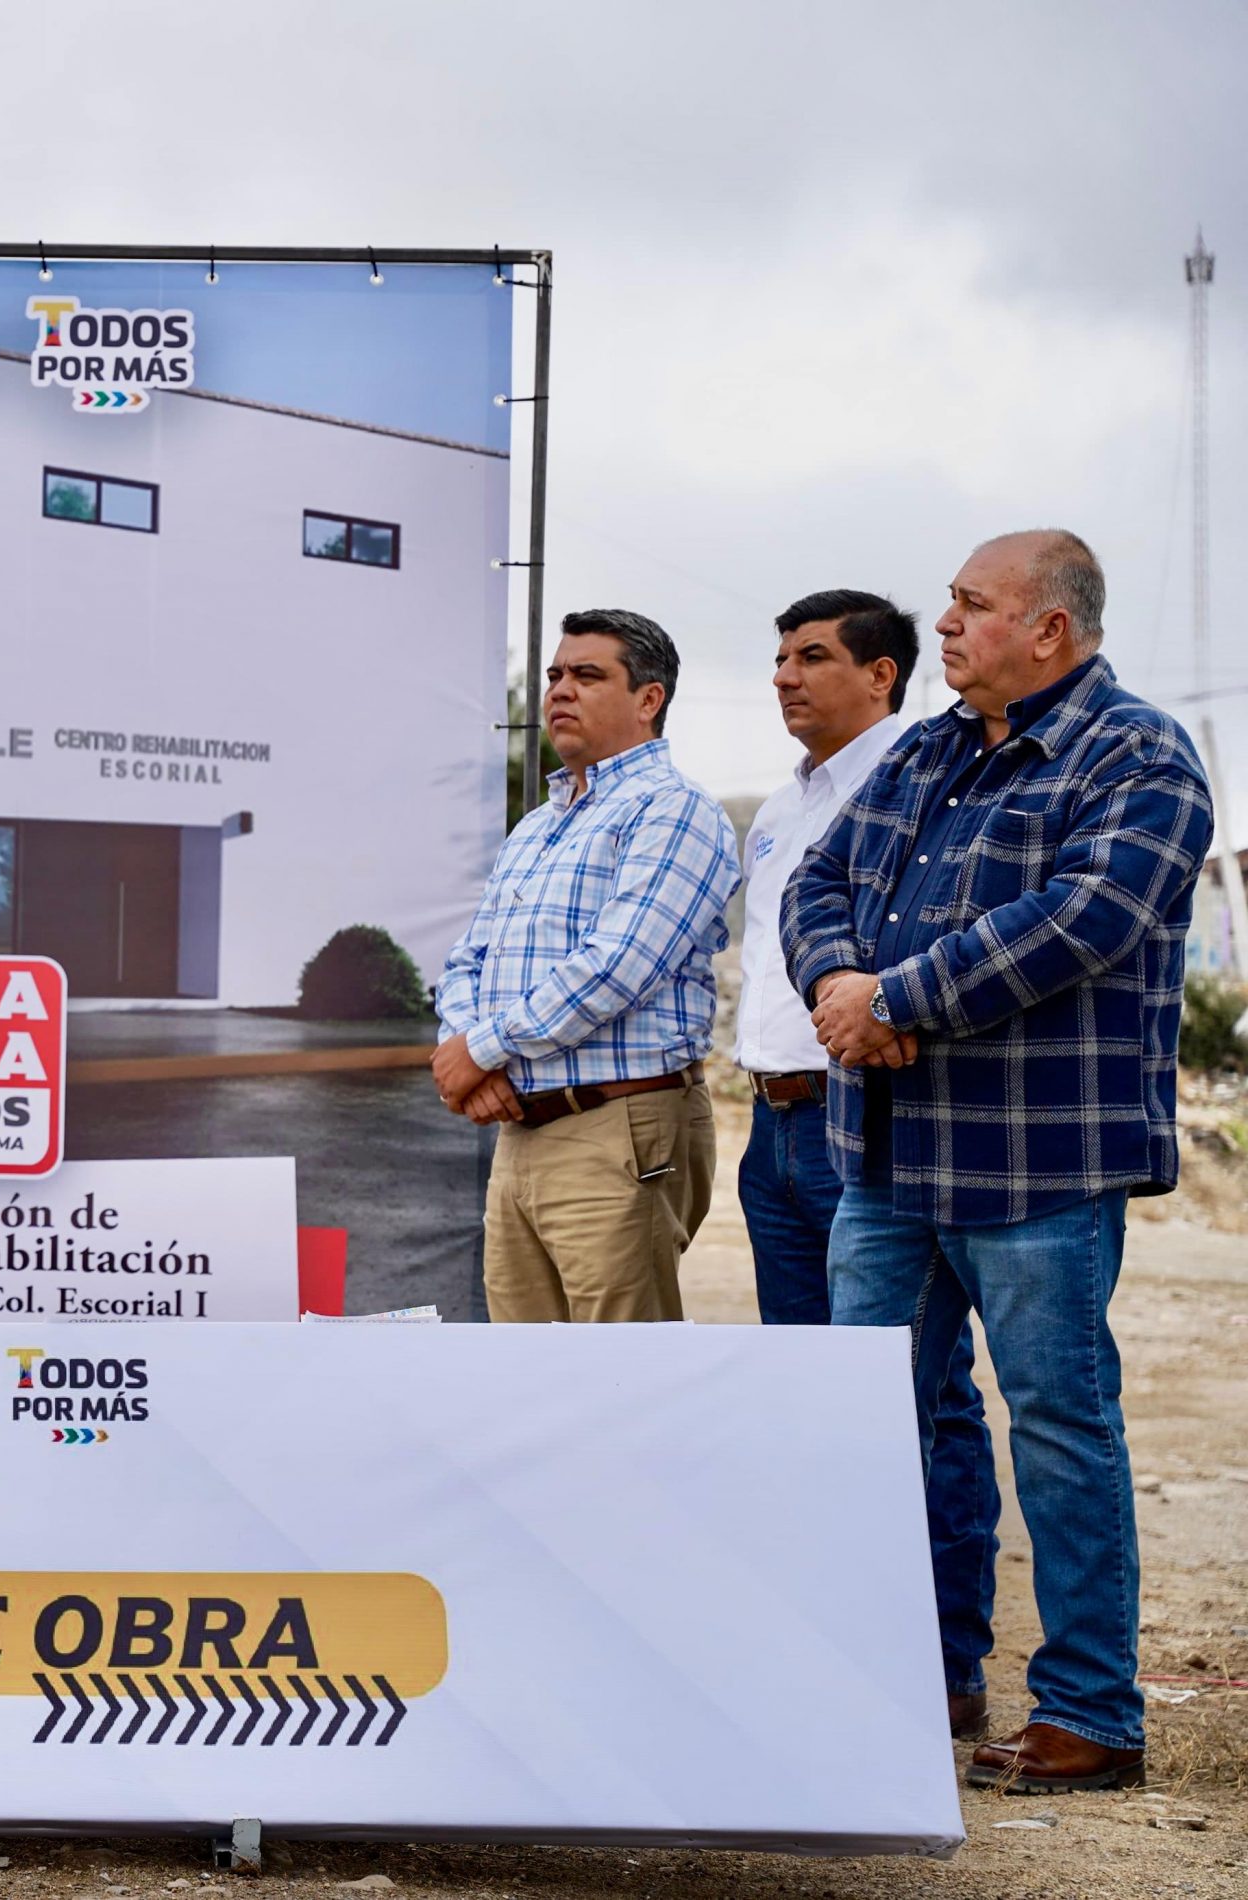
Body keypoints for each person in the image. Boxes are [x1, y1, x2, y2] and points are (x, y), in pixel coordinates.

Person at [786, 530, 1213, 1793]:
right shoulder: (925, 751)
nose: (947, 624)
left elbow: (1079, 920)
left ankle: (1090, 1711)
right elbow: (817, 880)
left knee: (1060, 1428)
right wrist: (839, 981)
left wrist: (895, 997)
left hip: (1037, 1168)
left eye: (971, 605)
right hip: (887, 1160)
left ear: (1048, 628)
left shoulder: (1138, 755)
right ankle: (913, 1669)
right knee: (870, 1425)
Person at [736, 589, 1002, 1740]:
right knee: (814, 1404)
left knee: (920, 1399)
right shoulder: (780, 806)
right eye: (778, 658)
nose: (784, 676)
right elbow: (793, 935)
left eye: (811, 656)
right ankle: (833, 1646)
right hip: (772, 1125)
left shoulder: (921, 779)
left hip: (869, 1120)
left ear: (882, 674)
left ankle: (943, 1661)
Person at [434, 609, 739, 1322]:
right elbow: (469, 958)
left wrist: (480, 1049)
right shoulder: (537, 826)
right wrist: (468, 1052)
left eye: (587, 675)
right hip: (519, 1128)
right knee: (526, 1369)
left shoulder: (675, 810)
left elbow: (618, 965)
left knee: (620, 1371)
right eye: (554, 675)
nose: (559, 690)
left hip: (616, 1123)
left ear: (648, 698)